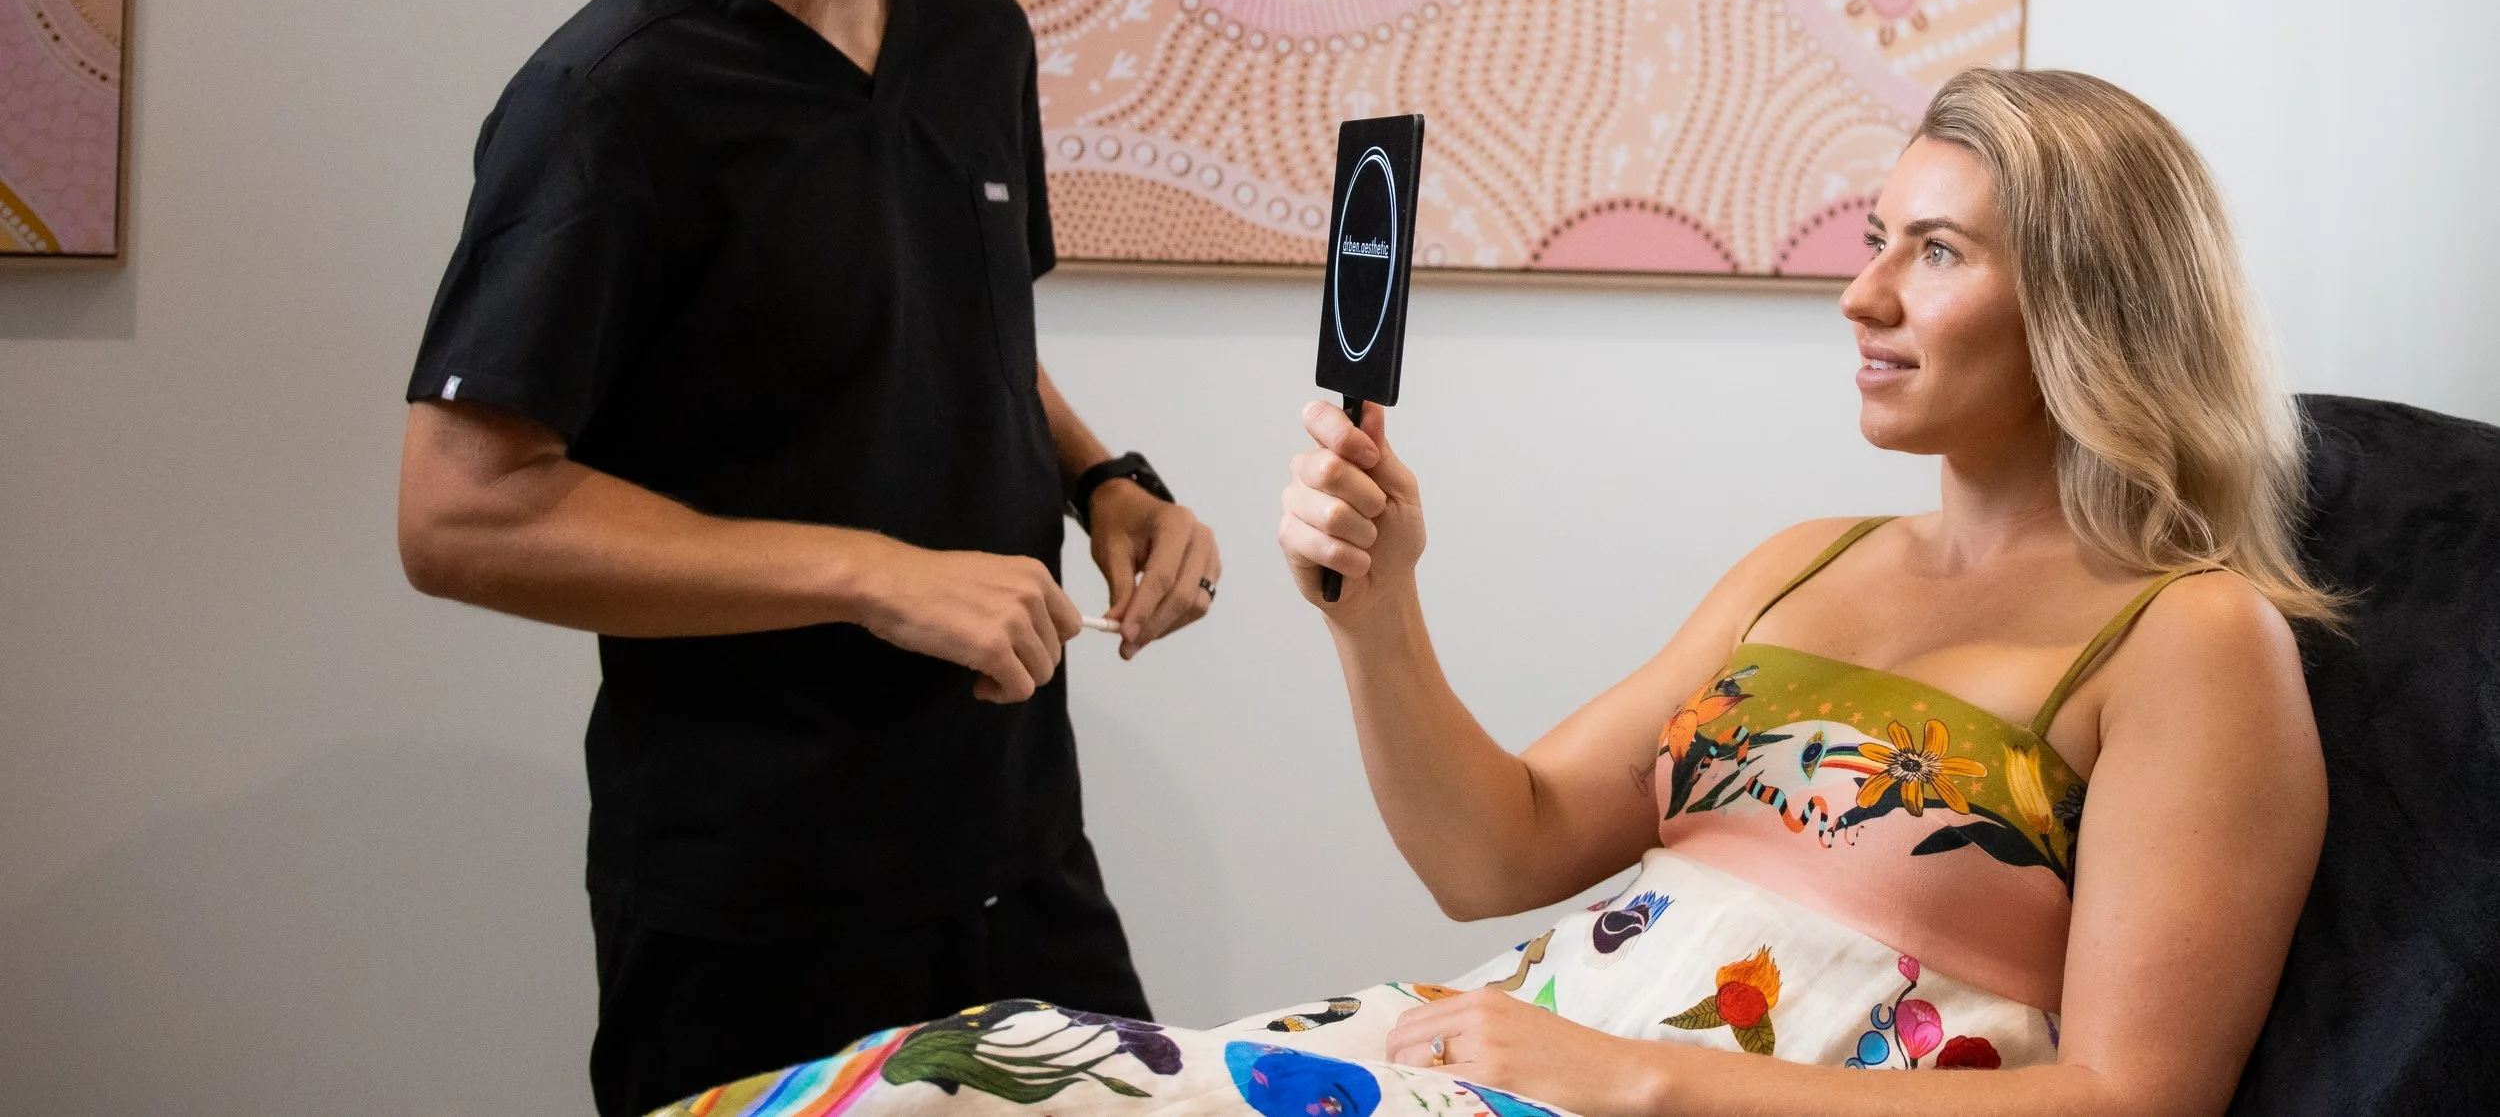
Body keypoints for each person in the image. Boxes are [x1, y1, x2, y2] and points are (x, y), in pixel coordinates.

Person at [654, 68, 2334, 1117]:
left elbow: (2137, 1095)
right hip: (1496, 1051)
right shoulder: (1811, 566)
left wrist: (1643, 1082)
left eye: (1938, 251)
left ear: (2095, 306)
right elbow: (1499, 848)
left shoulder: (2191, 641)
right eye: (1876, 233)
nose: (1862, 292)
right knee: (941, 1072)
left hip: (1626, 1097)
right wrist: (1376, 612)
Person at [394, 0, 1222, 1117]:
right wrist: (873, 570)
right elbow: (456, 513)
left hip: (1016, 845)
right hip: (755, 896)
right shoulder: (608, 104)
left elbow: (961, 332)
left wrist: (1107, 480)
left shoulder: (979, 42)